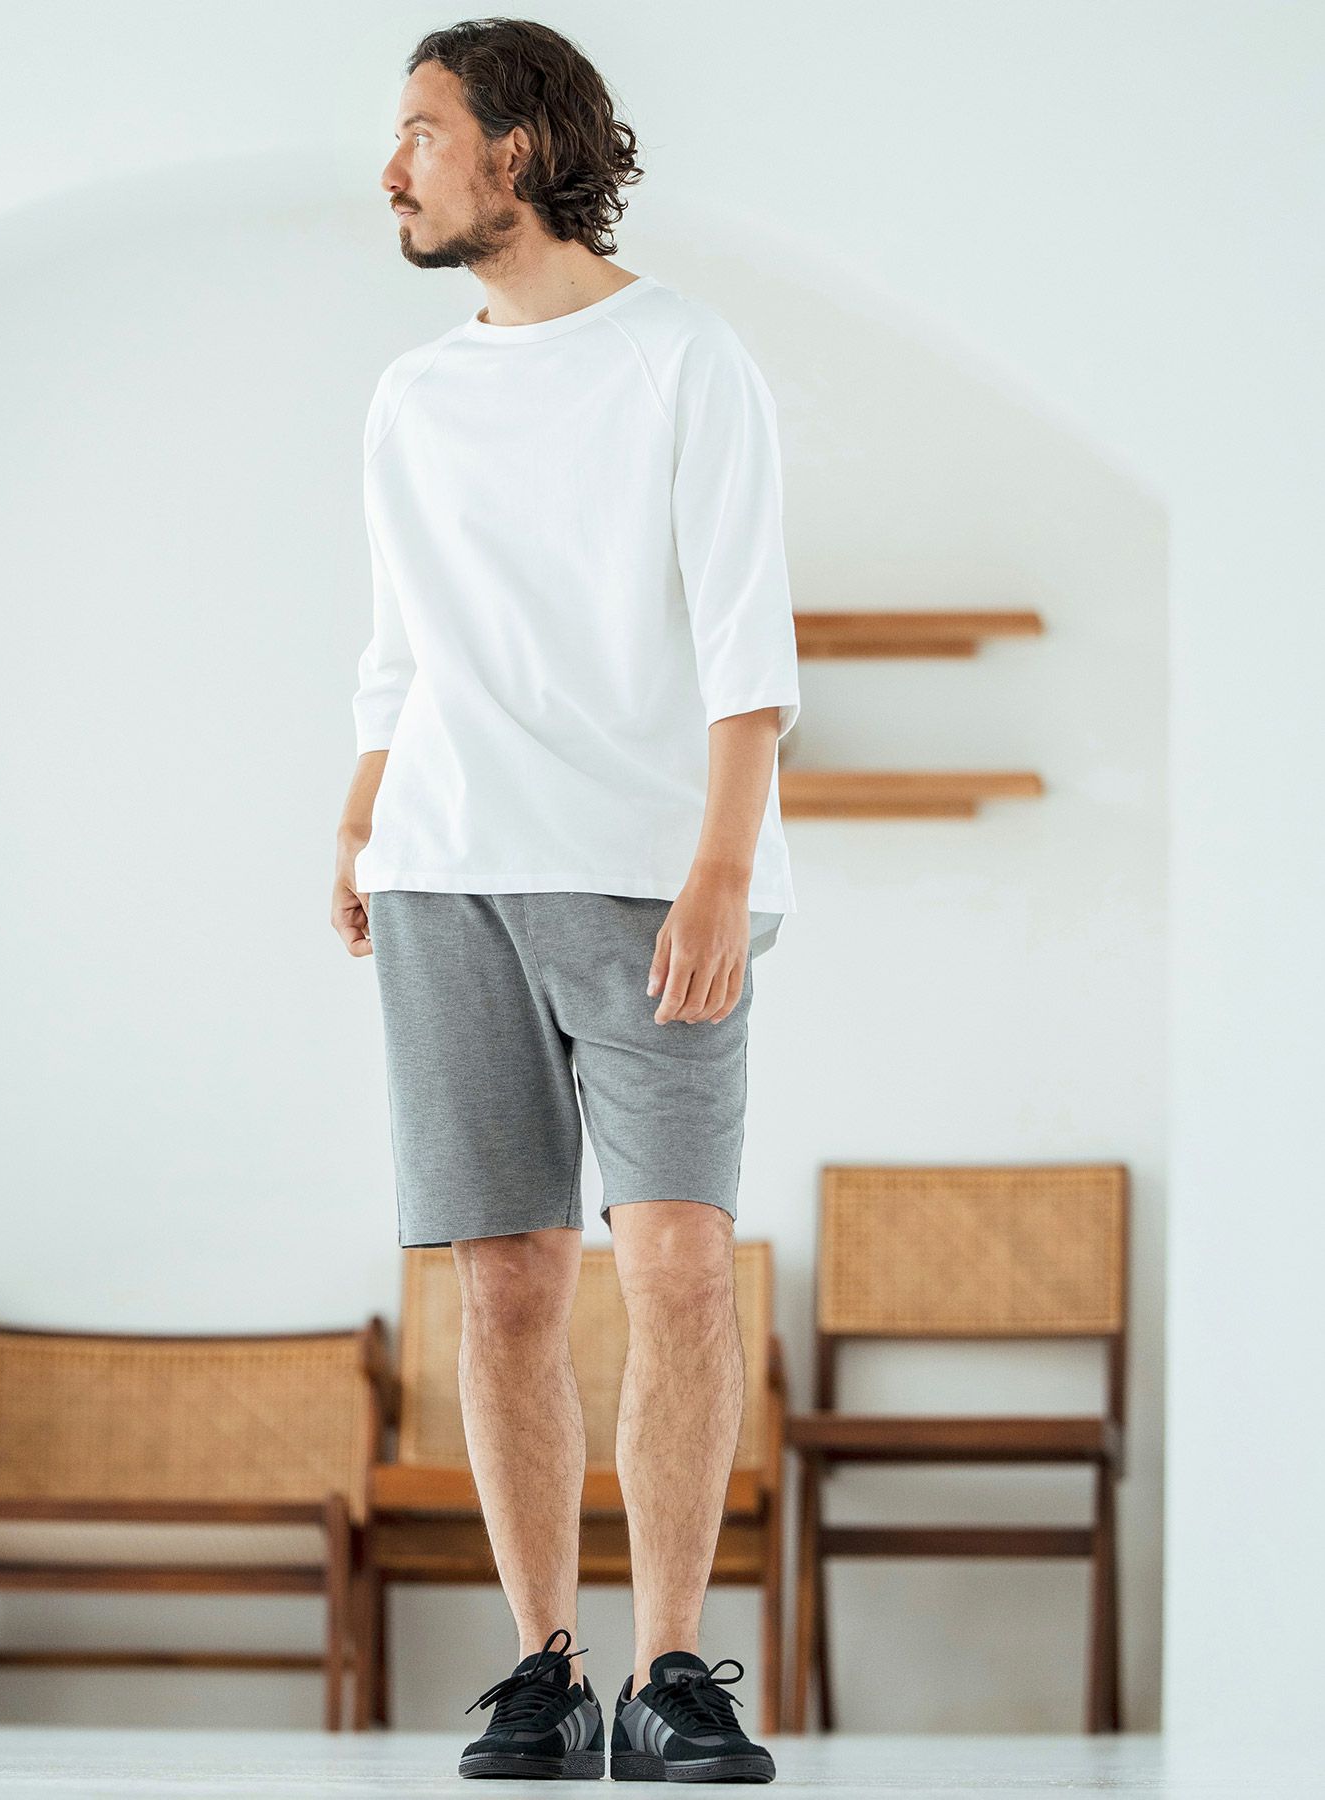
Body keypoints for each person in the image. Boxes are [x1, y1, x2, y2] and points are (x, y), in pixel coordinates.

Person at [333, 18, 798, 1785]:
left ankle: (673, 1673)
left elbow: (747, 642)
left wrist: (722, 869)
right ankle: (547, 1669)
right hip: (446, 865)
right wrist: (362, 819)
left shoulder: (684, 357)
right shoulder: (412, 397)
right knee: (508, 1282)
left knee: (675, 1264)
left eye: (420, 132)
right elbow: (399, 649)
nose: (392, 168)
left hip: (652, 876)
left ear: (515, 152)